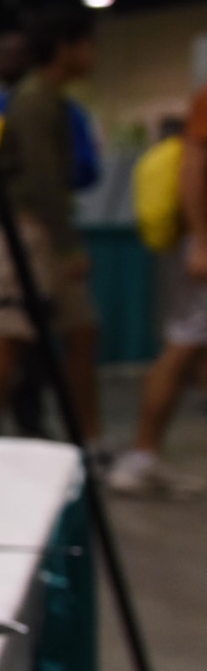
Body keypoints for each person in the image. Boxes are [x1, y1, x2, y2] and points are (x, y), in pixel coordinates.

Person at [0, 10, 101, 439]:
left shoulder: (49, 99)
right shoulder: (35, 99)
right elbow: (44, 179)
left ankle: (89, 437)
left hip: (39, 232)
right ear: (64, 47)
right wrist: (67, 248)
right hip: (24, 234)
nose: (91, 54)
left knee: (81, 331)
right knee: (10, 337)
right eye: (85, 44)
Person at [112, 89, 207, 496]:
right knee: (185, 343)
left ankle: (143, 458)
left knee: (193, 348)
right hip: (198, 243)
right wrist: (202, 240)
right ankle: (141, 457)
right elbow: (193, 163)